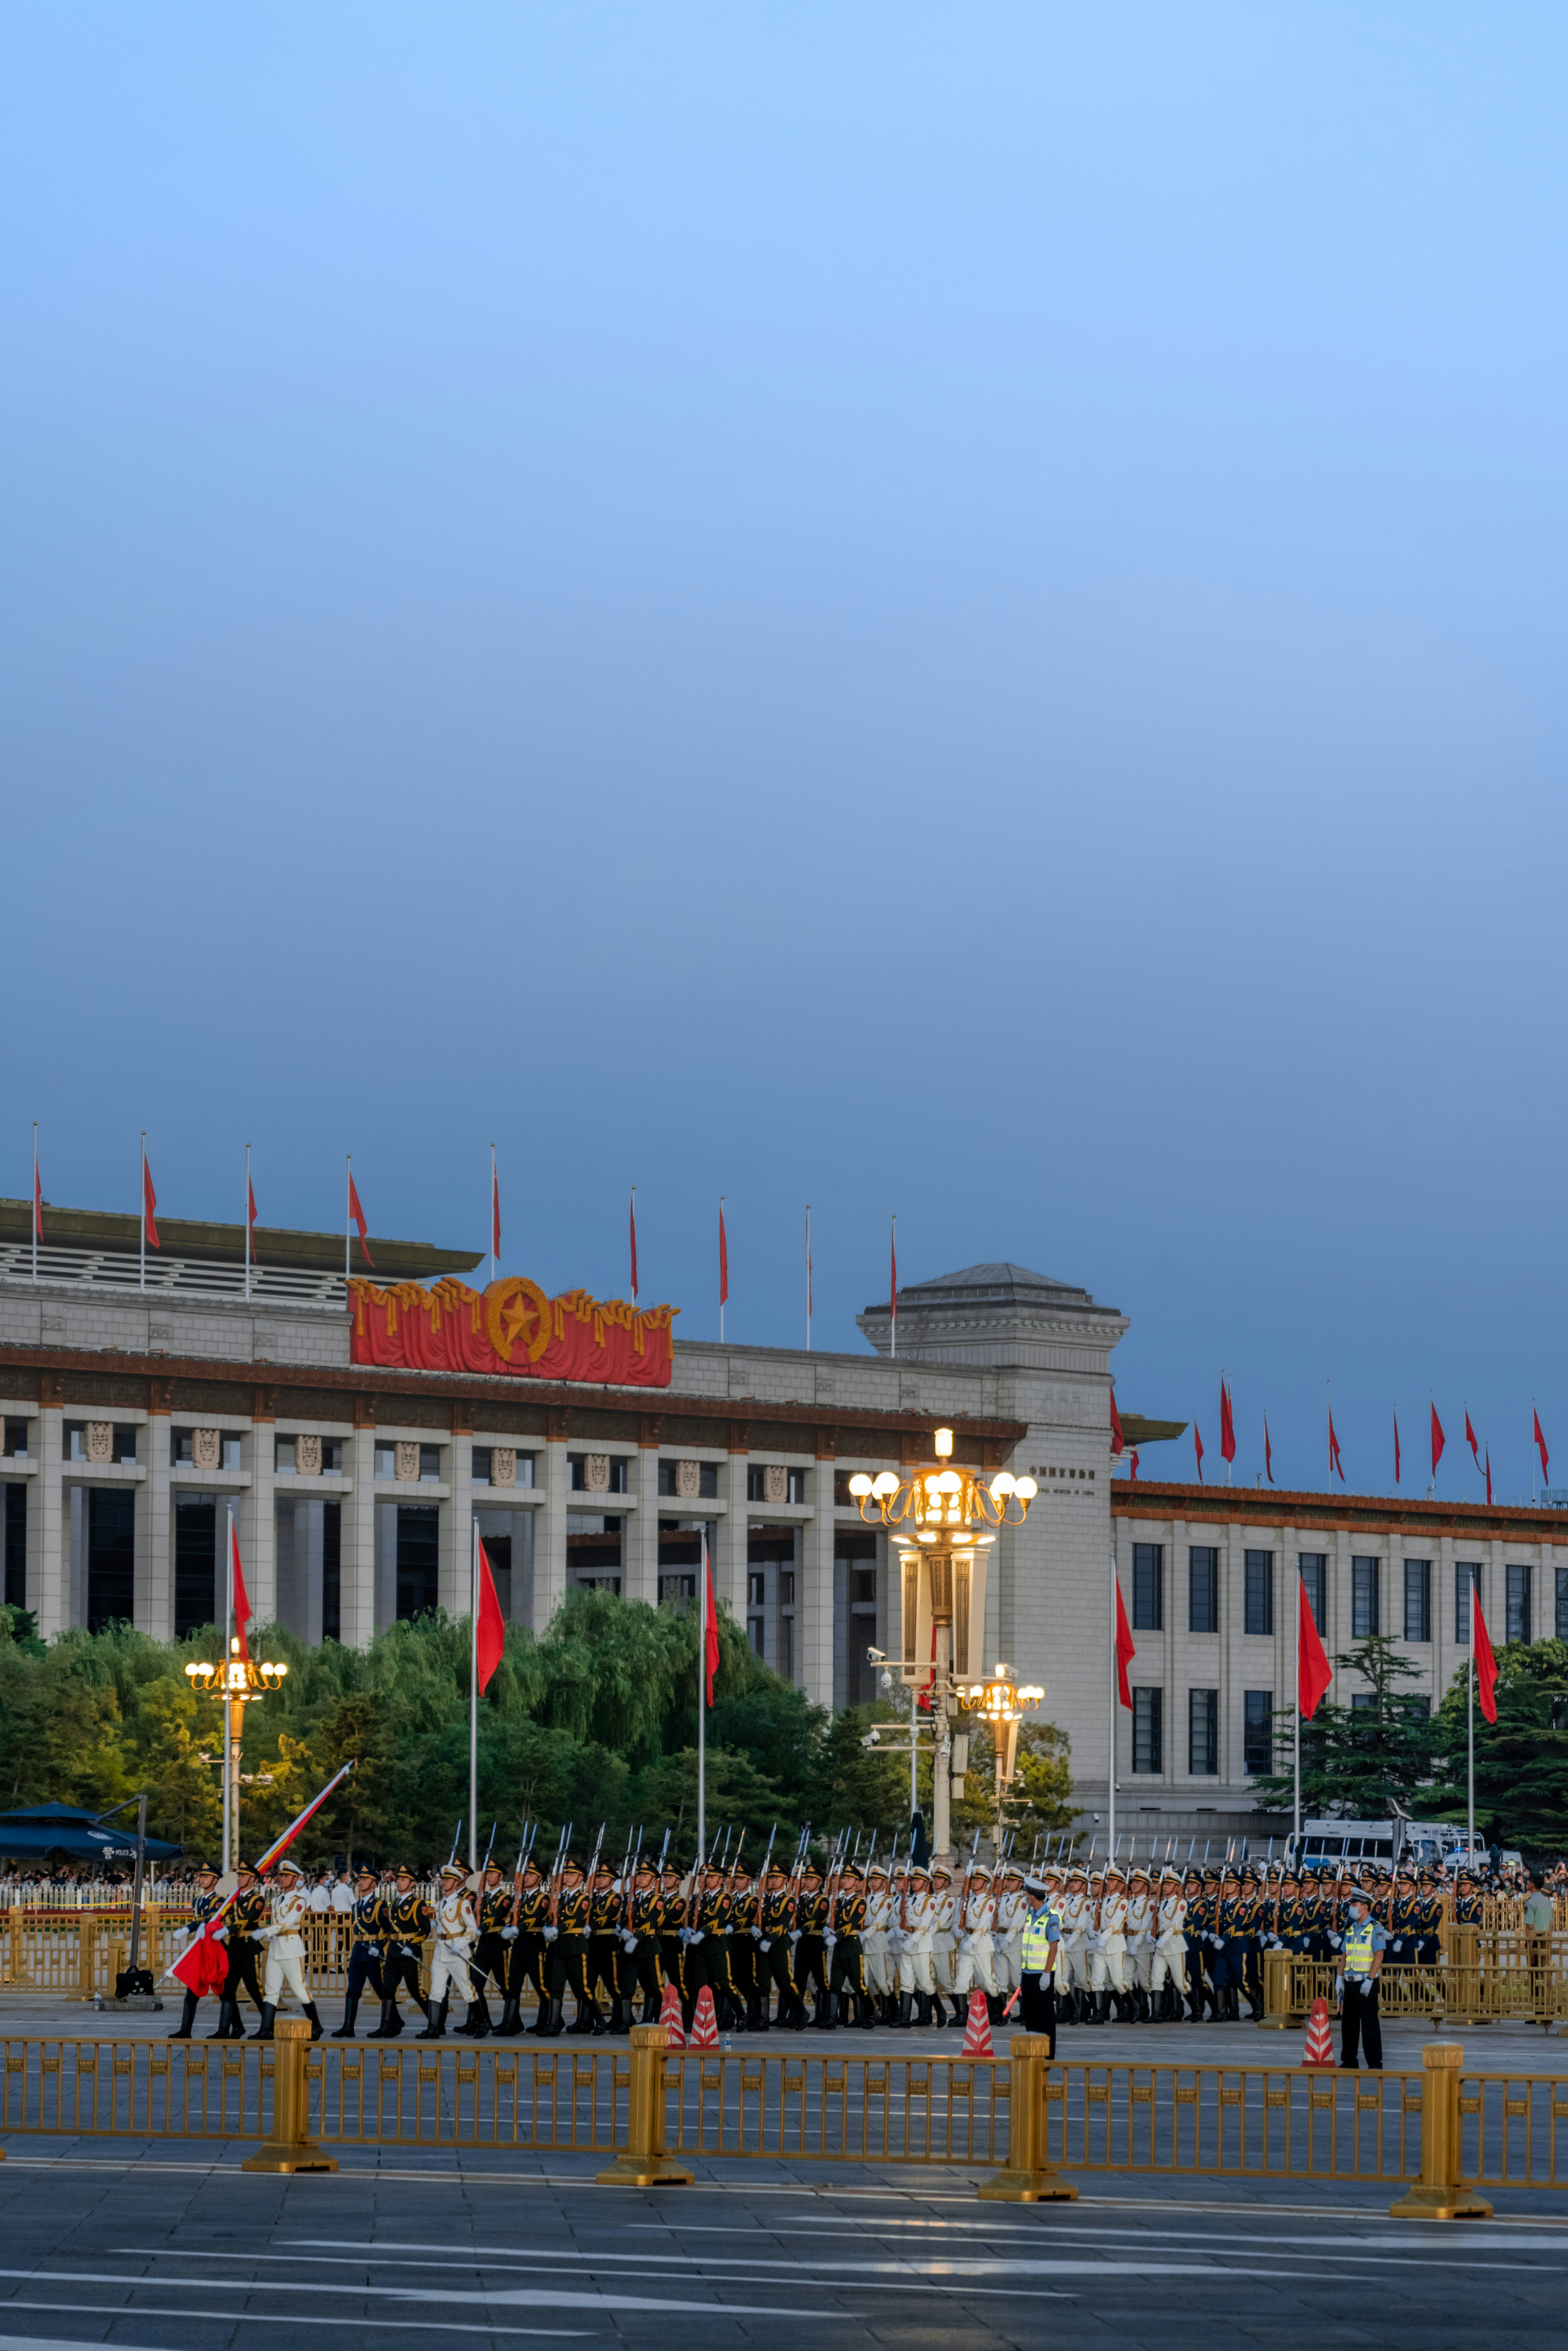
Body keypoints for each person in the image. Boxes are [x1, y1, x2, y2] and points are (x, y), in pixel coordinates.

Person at [253, 1856, 325, 2041]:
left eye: (286, 1876)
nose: (282, 1878)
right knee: (271, 1991)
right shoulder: (276, 1900)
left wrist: (266, 1931)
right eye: (281, 1875)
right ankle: (266, 2029)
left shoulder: (299, 1900)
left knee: (300, 1989)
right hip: (276, 1948)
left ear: (295, 1879)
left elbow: (287, 1922)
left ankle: (316, 2026)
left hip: (292, 1948)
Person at [369, 1864, 433, 2039]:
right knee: (387, 1990)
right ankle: (388, 2025)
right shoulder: (394, 1903)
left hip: (409, 1954)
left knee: (416, 1991)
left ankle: (435, 2022)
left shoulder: (418, 1904)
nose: (399, 1882)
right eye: (398, 1879)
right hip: (393, 1953)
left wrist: (412, 1947)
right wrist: (378, 1945)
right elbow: (390, 1930)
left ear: (413, 1884)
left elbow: (425, 1929)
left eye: (403, 1880)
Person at [421, 1861, 480, 2039]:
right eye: (444, 1878)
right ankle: (434, 2027)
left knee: (467, 1990)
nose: (444, 1881)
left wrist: (460, 1945)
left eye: (449, 1878)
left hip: (459, 1951)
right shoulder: (440, 1903)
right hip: (442, 1950)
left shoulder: (466, 1899)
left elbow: (471, 1928)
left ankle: (480, 2024)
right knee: (438, 1990)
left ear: (461, 1879)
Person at [167, 1860, 225, 2041]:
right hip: (200, 1948)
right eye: (201, 1876)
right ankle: (185, 2030)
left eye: (206, 1877)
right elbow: (201, 1919)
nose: (202, 1879)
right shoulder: (198, 1901)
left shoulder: (220, 1902)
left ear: (215, 1880)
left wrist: (190, 1928)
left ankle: (234, 2027)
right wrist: (192, 1929)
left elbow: (212, 1919)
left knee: (224, 1991)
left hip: (215, 1949)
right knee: (192, 1989)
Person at [330, 1865, 386, 2038]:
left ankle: (389, 2023)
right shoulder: (356, 1907)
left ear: (374, 1884)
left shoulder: (379, 1905)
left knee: (382, 1991)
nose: (361, 1882)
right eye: (360, 1879)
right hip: (358, 1953)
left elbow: (387, 1930)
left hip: (372, 1955)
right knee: (352, 1991)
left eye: (365, 1879)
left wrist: (378, 1946)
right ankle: (348, 2027)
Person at [1339, 1888, 1387, 2070]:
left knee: (1369, 2025)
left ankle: (1375, 2063)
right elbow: (1345, 1955)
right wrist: (1339, 1978)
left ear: (1365, 1907)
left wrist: (1370, 1980)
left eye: (1354, 1905)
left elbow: (1379, 1956)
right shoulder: (1351, 1929)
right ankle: (1349, 2061)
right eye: (1351, 1904)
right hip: (1350, 1982)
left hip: (1366, 1982)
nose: (1351, 1908)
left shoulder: (1375, 1928)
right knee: (1348, 2025)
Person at [1017, 1875, 1061, 2047]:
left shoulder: (1052, 1917)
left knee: (1046, 2016)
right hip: (1028, 1973)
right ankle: (1034, 2053)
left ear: (1031, 1897)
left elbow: (1054, 1947)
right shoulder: (1030, 1916)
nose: (1025, 1898)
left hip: (1042, 1975)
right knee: (1030, 2015)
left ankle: (1048, 2056)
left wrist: (1047, 1974)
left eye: (1026, 1894)